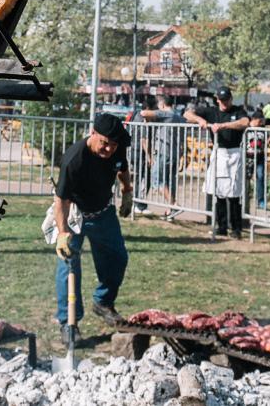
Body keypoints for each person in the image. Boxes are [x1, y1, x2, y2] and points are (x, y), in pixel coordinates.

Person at [53, 114, 133, 343]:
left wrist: (127, 191)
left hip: (103, 214)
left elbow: (122, 169)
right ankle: (68, 323)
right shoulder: (74, 159)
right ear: (93, 133)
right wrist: (63, 233)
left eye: (113, 145)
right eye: (105, 143)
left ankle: (103, 302)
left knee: (118, 258)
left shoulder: (117, 148)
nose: (109, 149)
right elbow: (61, 201)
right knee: (69, 265)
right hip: (75, 215)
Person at [185, 87, 250, 239]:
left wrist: (224, 125)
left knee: (234, 193)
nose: (224, 103)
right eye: (222, 100)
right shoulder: (211, 111)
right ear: (217, 100)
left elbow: (245, 122)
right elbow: (187, 114)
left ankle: (236, 228)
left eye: (227, 100)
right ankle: (221, 226)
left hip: (234, 153)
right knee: (218, 191)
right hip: (219, 152)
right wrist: (200, 120)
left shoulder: (238, 110)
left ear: (231, 99)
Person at [140, 95, 181, 218]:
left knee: (156, 181)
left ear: (162, 105)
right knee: (169, 182)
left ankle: (174, 205)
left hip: (163, 152)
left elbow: (143, 113)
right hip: (174, 153)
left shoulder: (166, 114)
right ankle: (170, 211)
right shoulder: (178, 116)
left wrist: (151, 115)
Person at [246, 110, 268, 209]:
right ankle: (245, 198)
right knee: (247, 178)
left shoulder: (262, 128)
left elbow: (266, 139)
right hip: (248, 157)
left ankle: (260, 200)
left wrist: (267, 142)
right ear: (254, 120)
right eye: (259, 121)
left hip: (260, 156)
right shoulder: (247, 128)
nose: (261, 123)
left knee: (260, 176)